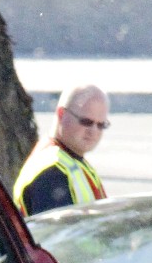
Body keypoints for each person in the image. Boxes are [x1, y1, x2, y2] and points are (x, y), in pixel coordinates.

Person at [13, 85, 109, 217]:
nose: (94, 131)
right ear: (61, 114)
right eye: (86, 122)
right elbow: (55, 234)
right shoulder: (51, 171)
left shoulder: (72, 160)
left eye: (101, 125)